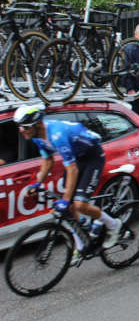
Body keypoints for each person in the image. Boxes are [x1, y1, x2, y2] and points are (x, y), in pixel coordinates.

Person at [15, 105, 122, 264]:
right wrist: (37, 184)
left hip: (93, 157)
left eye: (24, 127)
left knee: (79, 204)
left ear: (37, 124)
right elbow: (48, 160)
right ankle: (81, 245)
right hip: (77, 159)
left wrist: (66, 199)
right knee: (67, 210)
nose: (21, 130)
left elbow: (71, 169)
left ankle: (113, 225)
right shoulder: (37, 137)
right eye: (19, 126)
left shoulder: (57, 135)